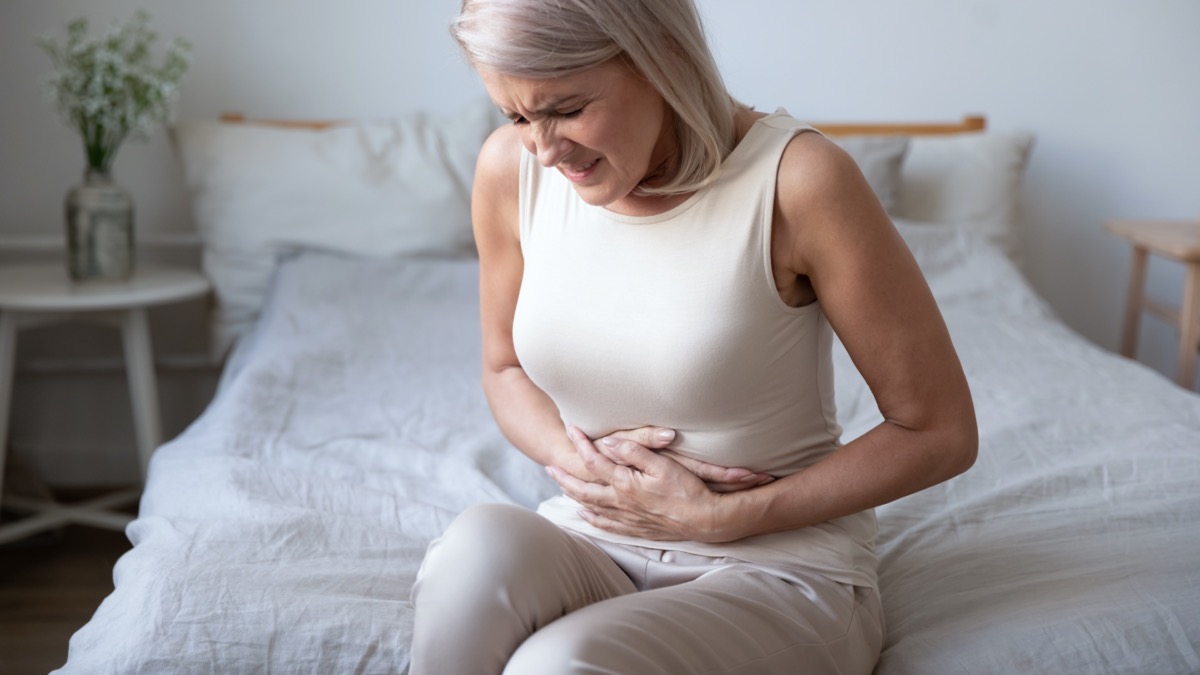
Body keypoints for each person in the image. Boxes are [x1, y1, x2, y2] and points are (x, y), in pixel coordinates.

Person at [410, 0, 978, 672]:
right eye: (515, 114)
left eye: (565, 108)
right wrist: (590, 463)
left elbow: (938, 429)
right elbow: (504, 369)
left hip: (780, 568)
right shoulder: (511, 170)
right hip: (597, 537)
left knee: (557, 665)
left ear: (663, 60)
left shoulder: (799, 180)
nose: (543, 147)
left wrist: (727, 517)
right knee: (472, 552)